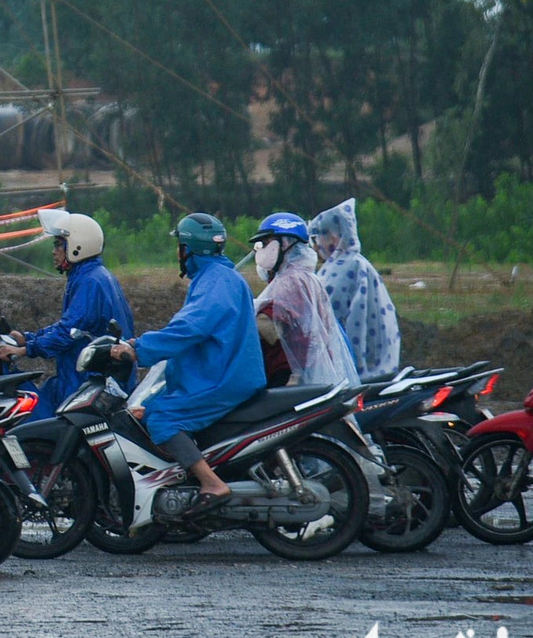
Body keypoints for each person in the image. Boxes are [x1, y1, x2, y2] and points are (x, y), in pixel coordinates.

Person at [110, 212, 264, 516]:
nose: (178, 253)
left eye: (180, 246)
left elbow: (189, 328)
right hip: (220, 370)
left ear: (188, 250)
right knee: (148, 409)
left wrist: (138, 349)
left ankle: (212, 484)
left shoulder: (215, 283)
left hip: (222, 377)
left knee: (162, 419)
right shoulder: (221, 276)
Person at [0, 208, 132, 418]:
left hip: (89, 380)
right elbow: (70, 326)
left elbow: (68, 332)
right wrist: (28, 338)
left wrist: (26, 350)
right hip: (82, 376)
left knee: (41, 424)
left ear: (78, 246)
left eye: (59, 244)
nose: (54, 251)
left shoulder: (90, 282)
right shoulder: (90, 276)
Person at [249, 211, 358, 388]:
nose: (261, 249)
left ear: (285, 244)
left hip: (289, 375)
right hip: (304, 370)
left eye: (266, 243)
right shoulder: (301, 276)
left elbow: (270, 325)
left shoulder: (292, 280)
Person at [309, 198, 401, 379]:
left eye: (318, 237)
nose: (316, 245)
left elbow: (325, 317)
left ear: (333, 237)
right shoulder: (358, 263)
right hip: (380, 365)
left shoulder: (341, 269)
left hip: (357, 370)